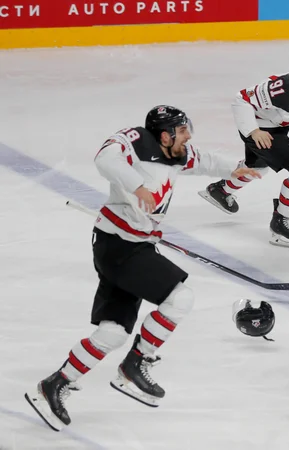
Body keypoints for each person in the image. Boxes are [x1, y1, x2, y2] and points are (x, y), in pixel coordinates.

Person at [25, 106, 262, 432]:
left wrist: (234, 168)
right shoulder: (134, 143)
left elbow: (202, 160)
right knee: (180, 299)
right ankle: (135, 366)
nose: (188, 136)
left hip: (132, 246)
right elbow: (104, 160)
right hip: (119, 247)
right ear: (164, 135)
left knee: (113, 332)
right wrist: (137, 187)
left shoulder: (176, 152)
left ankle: (54, 384)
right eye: (182, 131)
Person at [199, 57, 289, 249]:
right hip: (258, 126)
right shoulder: (286, 90)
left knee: (259, 167)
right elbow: (242, 99)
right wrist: (253, 131)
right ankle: (280, 224)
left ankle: (221, 190)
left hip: (276, 124)